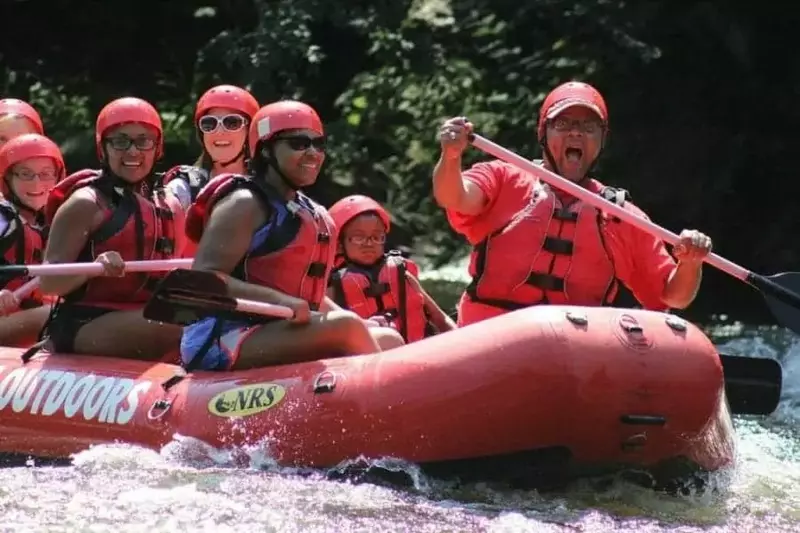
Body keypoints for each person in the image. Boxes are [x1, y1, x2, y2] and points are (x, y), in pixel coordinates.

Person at [432, 81, 713, 326]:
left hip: (575, 346)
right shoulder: (504, 177)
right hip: (490, 335)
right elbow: (453, 196)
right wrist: (452, 156)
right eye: (563, 124)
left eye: (588, 127)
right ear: (543, 133)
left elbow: (673, 295)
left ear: (602, 140)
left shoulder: (618, 214)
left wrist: (690, 263)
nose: (576, 133)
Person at [181, 100, 404, 371]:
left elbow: (304, 293)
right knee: (348, 328)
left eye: (318, 144)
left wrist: (340, 314)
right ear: (266, 151)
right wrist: (284, 303)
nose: (313, 153)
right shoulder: (243, 203)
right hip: (221, 337)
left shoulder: (310, 211)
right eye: (298, 143)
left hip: (276, 330)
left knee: (388, 338)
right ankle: (392, 405)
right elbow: (203, 281)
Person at [39, 97, 184, 359]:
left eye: (144, 141)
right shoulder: (85, 203)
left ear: (157, 148)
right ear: (102, 149)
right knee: (189, 328)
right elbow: (49, 282)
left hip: (145, 314)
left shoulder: (170, 204)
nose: (132, 151)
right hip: (86, 322)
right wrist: (94, 267)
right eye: (120, 141)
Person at [327, 194, 455, 343]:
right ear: (340, 244)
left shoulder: (402, 273)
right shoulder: (334, 286)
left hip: (417, 350)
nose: (369, 243)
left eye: (376, 237)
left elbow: (440, 318)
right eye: (358, 237)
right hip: (371, 360)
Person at [0, 134, 64, 345]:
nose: (37, 183)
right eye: (26, 174)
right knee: (61, 315)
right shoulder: (2, 218)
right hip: (7, 321)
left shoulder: (52, 221)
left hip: (25, 319)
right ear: (8, 179)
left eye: (46, 174)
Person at [162, 84, 259, 207]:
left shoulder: (271, 188)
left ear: (250, 130)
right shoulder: (182, 189)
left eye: (232, 122)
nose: (219, 131)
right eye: (209, 123)